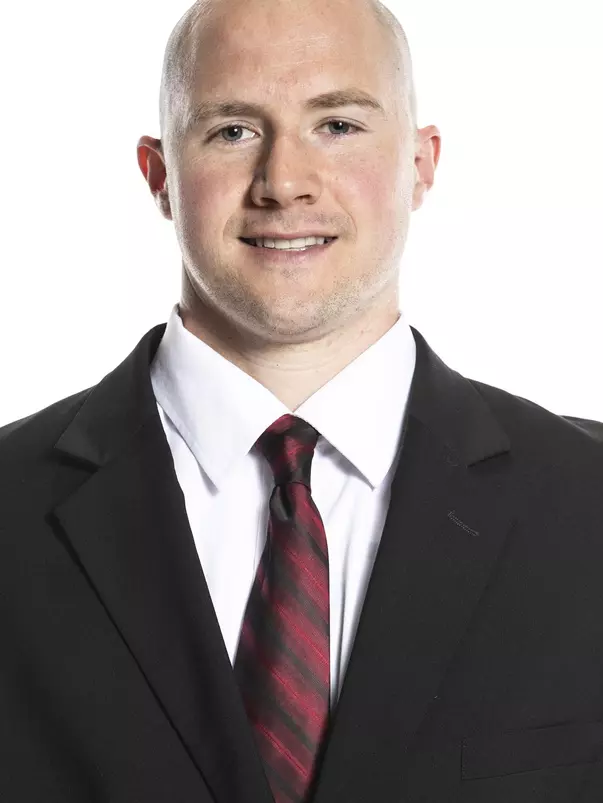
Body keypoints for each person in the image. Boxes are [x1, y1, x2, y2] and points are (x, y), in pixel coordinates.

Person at [1, 0, 603, 800]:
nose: (283, 182)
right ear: (159, 178)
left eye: (339, 125)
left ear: (421, 164)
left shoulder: (586, 503)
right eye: (232, 131)